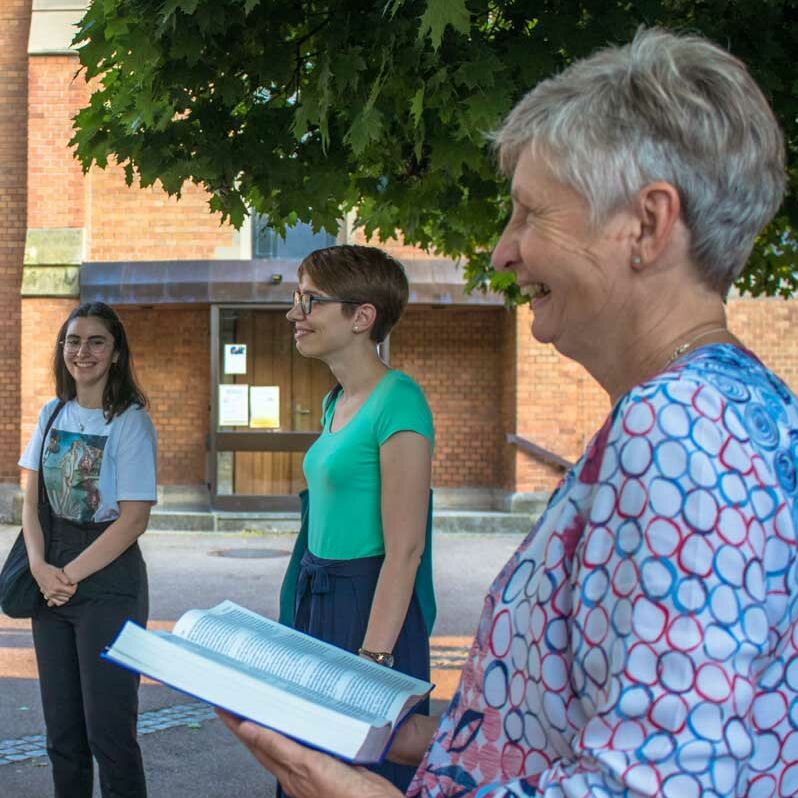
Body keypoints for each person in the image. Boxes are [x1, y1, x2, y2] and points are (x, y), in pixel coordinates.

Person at [219, 26, 798, 797]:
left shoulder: (680, 426)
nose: (502, 250)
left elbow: (656, 785)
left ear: (649, 225)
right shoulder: (728, 407)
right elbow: (620, 705)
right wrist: (429, 733)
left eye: (531, 214)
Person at [277, 244, 435, 793]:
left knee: (360, 771)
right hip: (318, 601)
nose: (295, 314)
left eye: (311, 301)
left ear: (362, 317)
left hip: (370, 613)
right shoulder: (335, 400)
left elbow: (406, 550)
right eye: (297, 299)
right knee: (308, 769)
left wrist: (371, 663)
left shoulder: (400, 400)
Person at [20, 301, 157, 798]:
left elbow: (134, 519)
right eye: (73, 341)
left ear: (116, 352)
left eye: (96, 341)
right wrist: (39, 567)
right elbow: (30, 500)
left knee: (110, 734)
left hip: (108, 582)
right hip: (49, 574)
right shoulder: (51, 412)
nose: (83, 351)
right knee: (63, 734)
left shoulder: (130, 422)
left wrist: (67, 575)